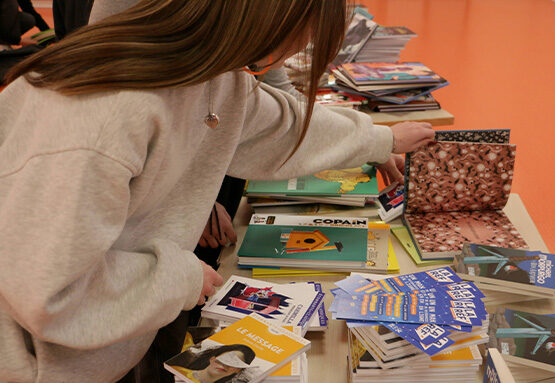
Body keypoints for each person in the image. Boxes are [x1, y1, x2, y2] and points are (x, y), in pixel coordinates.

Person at [0, 1, 435, 382]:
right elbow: (50, 293)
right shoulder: (101, 116)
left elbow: (278, 127)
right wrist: (181, 277)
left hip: (102, 350)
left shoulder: (211, 80)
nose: (297, 49)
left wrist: (380, 140)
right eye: (304, 34)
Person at [170, 344, 257, 383]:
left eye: (235, 364)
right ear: (212, 359)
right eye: (224, 359)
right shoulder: (177, 372)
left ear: (238, 370)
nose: (225, 365)